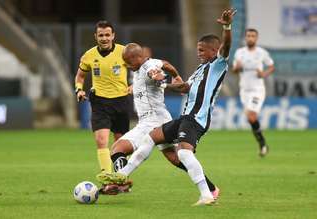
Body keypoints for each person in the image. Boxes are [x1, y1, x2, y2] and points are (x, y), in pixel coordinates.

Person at [102, 8, 236, 206]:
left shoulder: (217, 64)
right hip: (185, 117)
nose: (198, 53)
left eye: (202, 50)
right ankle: (122, 175)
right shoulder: (200, 70)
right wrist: (165, 84)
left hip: (196, 118)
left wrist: (226, 27)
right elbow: (184, 87)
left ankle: (207, 195)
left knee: (182, 153)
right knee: (151, 138)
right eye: (197, 49)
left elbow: (226, 47)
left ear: (213, 51)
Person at [98, 43, 219, 198]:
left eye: (128, 61)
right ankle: (211, 188)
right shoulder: (145, 65)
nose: (126, 65)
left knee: (118, 148)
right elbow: (166, 64)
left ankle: (120, 180)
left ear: (137, 58)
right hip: (152, 120)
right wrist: (176, 76)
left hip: (153, 120)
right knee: (176, 158)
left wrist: (163, 78)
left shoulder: (149, 66)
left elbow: (155, 73)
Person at [75, 20, 131, 174]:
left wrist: (134, 85)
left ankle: (121, 179)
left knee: (120, 145)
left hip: (121, 101)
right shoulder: (89, 55)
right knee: (101, 141)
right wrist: (79, 90)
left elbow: (138, 69)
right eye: (101, 35)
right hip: (100, 102)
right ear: (96, 36)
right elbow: (80, 76)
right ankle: (107, 177)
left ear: (113, 35)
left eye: (107, 35)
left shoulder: (124, 52)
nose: (104, 38)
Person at [232, 28, 274, 157]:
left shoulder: (262, 53)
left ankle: (262, 144)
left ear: (256, 38)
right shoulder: (239, 53)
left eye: (253, 36)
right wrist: (237, 68)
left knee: (251, 116)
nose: (250, 38)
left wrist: (264, 74)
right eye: (248, 36)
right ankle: (263, 145)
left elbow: (271, 66)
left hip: (257, 90)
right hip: (244, 90)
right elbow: (234, 70)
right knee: (250, 119)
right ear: (245, 38)